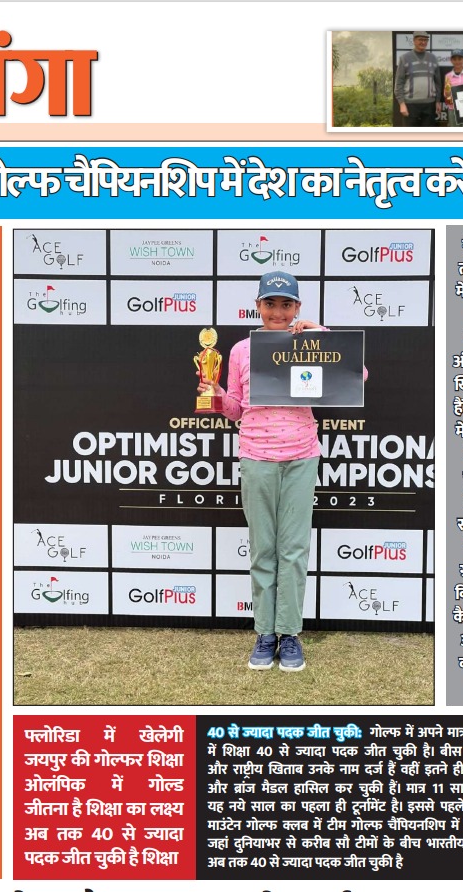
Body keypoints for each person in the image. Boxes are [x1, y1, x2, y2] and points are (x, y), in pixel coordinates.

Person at [198, 271, 367, 672]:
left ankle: (289, 633)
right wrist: (218, 397)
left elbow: (357, 377)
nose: (278, 311)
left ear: (298, 309)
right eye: (270, 303)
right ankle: (265, 632)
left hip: (301, 456)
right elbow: (237, 409)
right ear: (258, 306)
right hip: (256, 456)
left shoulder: (308, 343)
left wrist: (322, 335)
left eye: (286, 304)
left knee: (293, 550)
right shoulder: (240, 350)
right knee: (263, 550)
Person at [394, 31, 443, 127]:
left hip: (429, 105)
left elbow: (438, 83)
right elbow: (399, 83)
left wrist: (437, 101)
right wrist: (401, 104)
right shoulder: (404, 58)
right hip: (410, 105)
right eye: (420, 39)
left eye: (425, 40)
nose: (423, 42)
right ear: (414, 40)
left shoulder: (433, 59)